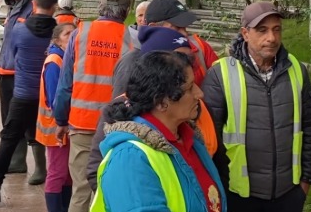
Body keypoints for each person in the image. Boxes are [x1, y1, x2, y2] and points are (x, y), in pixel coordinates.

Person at [91, 51, 251, 212]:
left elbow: (208, 201)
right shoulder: (131, 158)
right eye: (189, 88)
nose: (199, 94)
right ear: (163, 101)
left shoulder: (187, 140)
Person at [202, 1, 311, 212]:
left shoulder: (296, 70)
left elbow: (309, 125)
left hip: (285, 193)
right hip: (237, 194)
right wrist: (218, 192)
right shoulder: (221, 74)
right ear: (245, 33)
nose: (271, 37)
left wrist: (306, 181)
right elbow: (208, 141)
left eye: (276, 30)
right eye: (262, 30)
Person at [53, 0, 134, 212]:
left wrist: (60, 120)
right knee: (115, 192)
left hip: (83, 124)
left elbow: (65, 85)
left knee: (80, 192)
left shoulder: (78, 34)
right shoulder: (131, 38)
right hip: (118, 127)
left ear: (101, 6)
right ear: (126, 10)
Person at [86, 25, 219, 193]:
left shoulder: (195, 108)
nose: (187, 64)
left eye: (188, 57)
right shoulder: (123, 124)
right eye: (177, 57)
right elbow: (96, 172)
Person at [0, 0, 58, 203]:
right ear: (55, 7)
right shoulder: (61, 33)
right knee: (49, 140)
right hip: (48, 97)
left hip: (22, 94)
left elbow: (12, 57)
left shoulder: (19, 31)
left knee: (9, 138)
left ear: (34, 5)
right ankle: (54, 188)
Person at [36, 22, 77, 212]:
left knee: (66, 171)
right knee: (58, 170)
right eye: (68, 33)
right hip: (55, 126)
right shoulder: (55, 61)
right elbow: (54, 98)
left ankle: (64, 208)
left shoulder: (64, 59)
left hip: (63, 125)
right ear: (57, 39)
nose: (72, 36)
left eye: (74, 32)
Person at [0, 0, 36, 174]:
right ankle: (17, 161)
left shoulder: (32, 8)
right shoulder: (13, 9)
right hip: (6, 71)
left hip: (20, 73)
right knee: (9, 118)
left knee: (23, 119)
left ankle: (31, 164)